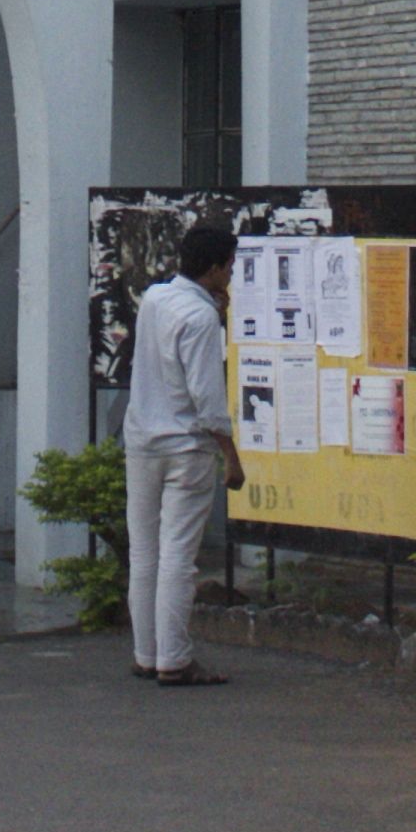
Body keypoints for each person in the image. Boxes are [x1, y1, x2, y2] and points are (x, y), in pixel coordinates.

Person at [124, 219, 244, 687]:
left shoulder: (155, 299)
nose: (231, 274)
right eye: (229, 266)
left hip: (142, 440)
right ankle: (174, 658)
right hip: (187, 446)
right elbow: (208, 399)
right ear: (213, 268)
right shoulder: (201, 319)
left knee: (144, 553)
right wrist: (231, 454)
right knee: (177, 556)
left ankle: (146, 653)